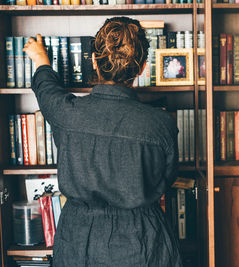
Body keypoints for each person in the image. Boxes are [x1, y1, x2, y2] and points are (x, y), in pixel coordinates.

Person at [23, 17, 182, 267]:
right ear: (141, 68)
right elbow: (166, 178)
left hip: (79, 241)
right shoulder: (161, 123)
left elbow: (46, 89)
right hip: (144, 241)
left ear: (95, 63)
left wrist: (41, 60)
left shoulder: (66, 112)